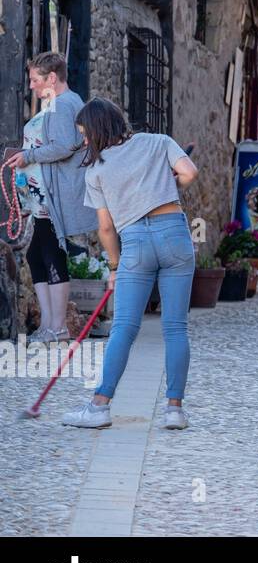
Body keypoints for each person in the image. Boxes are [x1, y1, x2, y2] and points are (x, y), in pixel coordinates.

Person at [61, 98, 199, 430]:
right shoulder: (158, 141)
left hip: (134, 242)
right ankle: (174, 410)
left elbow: (106, 228)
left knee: (124, 327)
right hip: (175, 234)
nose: (84, 142)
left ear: (97, 131)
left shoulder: (96, 170)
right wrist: (168, 185)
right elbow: (189, 173)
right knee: (176, 327)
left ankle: (99, 407)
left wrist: (113, 266)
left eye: (85, 135)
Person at [15, 53, 98, 343]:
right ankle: (49, 325)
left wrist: (28, 156)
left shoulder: (63, 105)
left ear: (52, 78)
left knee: (51, 254)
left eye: (35, 80)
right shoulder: (57, 104)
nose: (31, 86)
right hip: (43, 197)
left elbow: (63, 146)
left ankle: (57, 326)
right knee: (36, 254)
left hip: (54, 198)